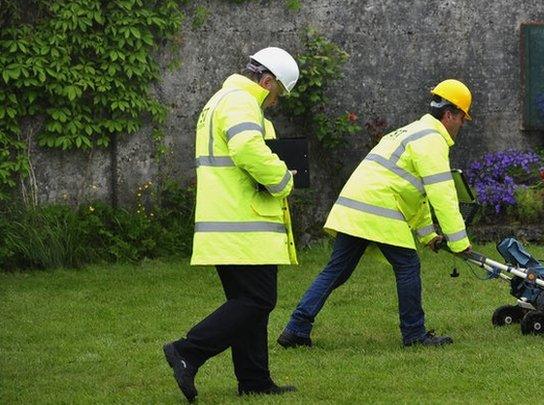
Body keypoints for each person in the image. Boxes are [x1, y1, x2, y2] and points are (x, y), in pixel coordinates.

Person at [277, 79, 473, 349]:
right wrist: (460, 242)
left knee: (336, 270)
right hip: (379, 208)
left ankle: (296, 329)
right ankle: (414, 334)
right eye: (463, 118)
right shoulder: (432, 140)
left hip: (355, 206)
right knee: (407, 266)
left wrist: (428, 235)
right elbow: (442, 194)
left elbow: (415, 193)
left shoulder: (410, 131)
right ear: (450, 114)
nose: (462, 125)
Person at [163, 47, 301, 402]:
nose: (275, 103)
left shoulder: (220, 101)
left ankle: (254, 380)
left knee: (248, 302)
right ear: (267, 81)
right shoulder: (240, 102)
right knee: (257, 300)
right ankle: (187, 351)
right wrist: (284, 180)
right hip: (244, 223)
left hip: (230, 224)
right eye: (277, 94)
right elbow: (247, 150)